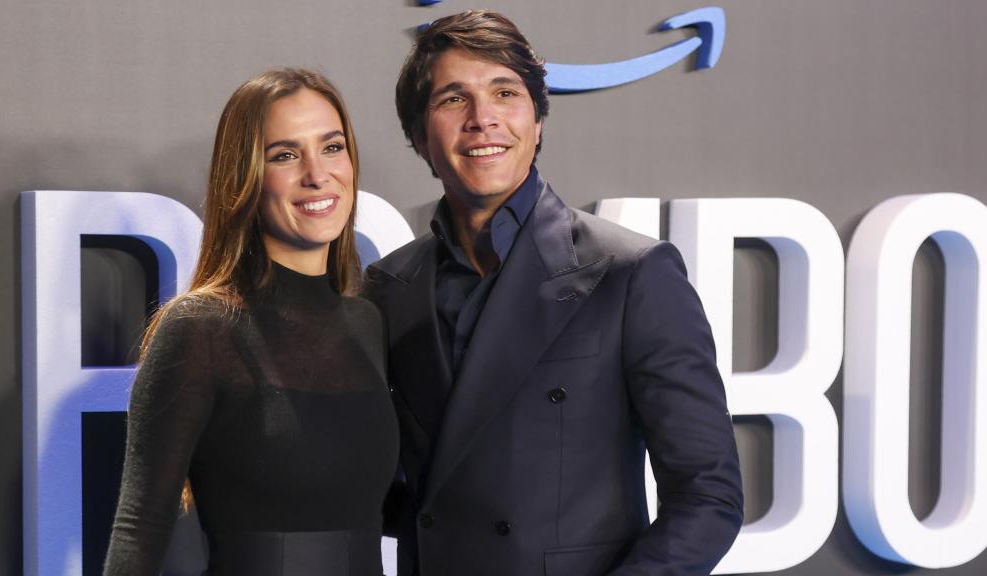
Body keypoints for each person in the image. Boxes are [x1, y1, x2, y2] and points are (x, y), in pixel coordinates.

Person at [363, 11, 743, 576]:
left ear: (538, 121)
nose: (482, 119)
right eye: (452, 99)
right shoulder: (389, 287)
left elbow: (708, 497)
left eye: (505, 93)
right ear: (418, 137)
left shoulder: (632, 273)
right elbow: (387, 488)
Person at [104, 68, 398, 576]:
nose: (317, 173)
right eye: (285, 155)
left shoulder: (368, 321)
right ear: (244, 178)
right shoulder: (200, 328)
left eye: (332, 147)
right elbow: (139, 529)